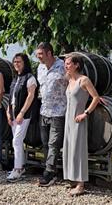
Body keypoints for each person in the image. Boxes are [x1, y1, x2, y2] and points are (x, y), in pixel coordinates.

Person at [63, 53, 100, 196]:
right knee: (69, 148)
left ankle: (81, 184)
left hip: (79, 120)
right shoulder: (69, 79)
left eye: (68, 63)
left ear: (77, 65)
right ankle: (72, 178)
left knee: (78, 149)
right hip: (68, 119)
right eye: (65, 64)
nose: (66, 66)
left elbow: (96, 97)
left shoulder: (83, 80)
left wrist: (86, 113)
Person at [36, 42, 68, 186]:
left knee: (53, 143)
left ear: (49, 53)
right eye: (37, 54)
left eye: (41, 54)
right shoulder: (40, 68)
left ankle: (49, 173)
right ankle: (50, 168)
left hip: (59, 111)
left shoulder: (63, 66)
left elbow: (74, 82)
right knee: (45, 143)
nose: (38, 57)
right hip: (44, 111)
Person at [6, 53, 39, 182]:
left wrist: (22, 112)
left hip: (24, 114)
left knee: (16, 141)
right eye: (14, 62)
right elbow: (11, 97)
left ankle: (17, 169)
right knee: (17, 141)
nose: (16, 64)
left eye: (19, 62)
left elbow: (30, 96)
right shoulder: (16, 78)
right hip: (14, 112)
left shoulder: (30, 78)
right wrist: (9, 112)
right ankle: (21, 166)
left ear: (25, 63)